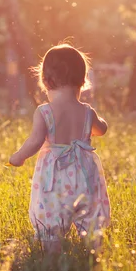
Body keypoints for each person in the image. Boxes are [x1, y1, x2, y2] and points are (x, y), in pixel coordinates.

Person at [9, 44, 110, 253]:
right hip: (83, 172)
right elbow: (101, 130)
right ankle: (94, 247)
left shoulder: (45, 112)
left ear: (45, 81)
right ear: (82, 81)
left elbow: (35, 140)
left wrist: (19, 156)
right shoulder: (87, 112)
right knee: (89, 210)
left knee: (51, 212)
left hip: (54, 174)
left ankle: (52, 251)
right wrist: (94, 123)